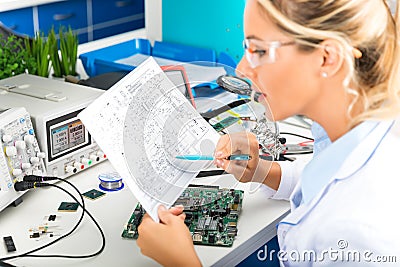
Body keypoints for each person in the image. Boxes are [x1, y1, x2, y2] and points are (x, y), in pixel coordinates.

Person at [137, 0, 400, 266]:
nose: (241, 69)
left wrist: (181, 262)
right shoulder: (352, 131)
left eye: (259, 50)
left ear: (327, 58)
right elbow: (324, 179)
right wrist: (262, 171)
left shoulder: (359, 235)